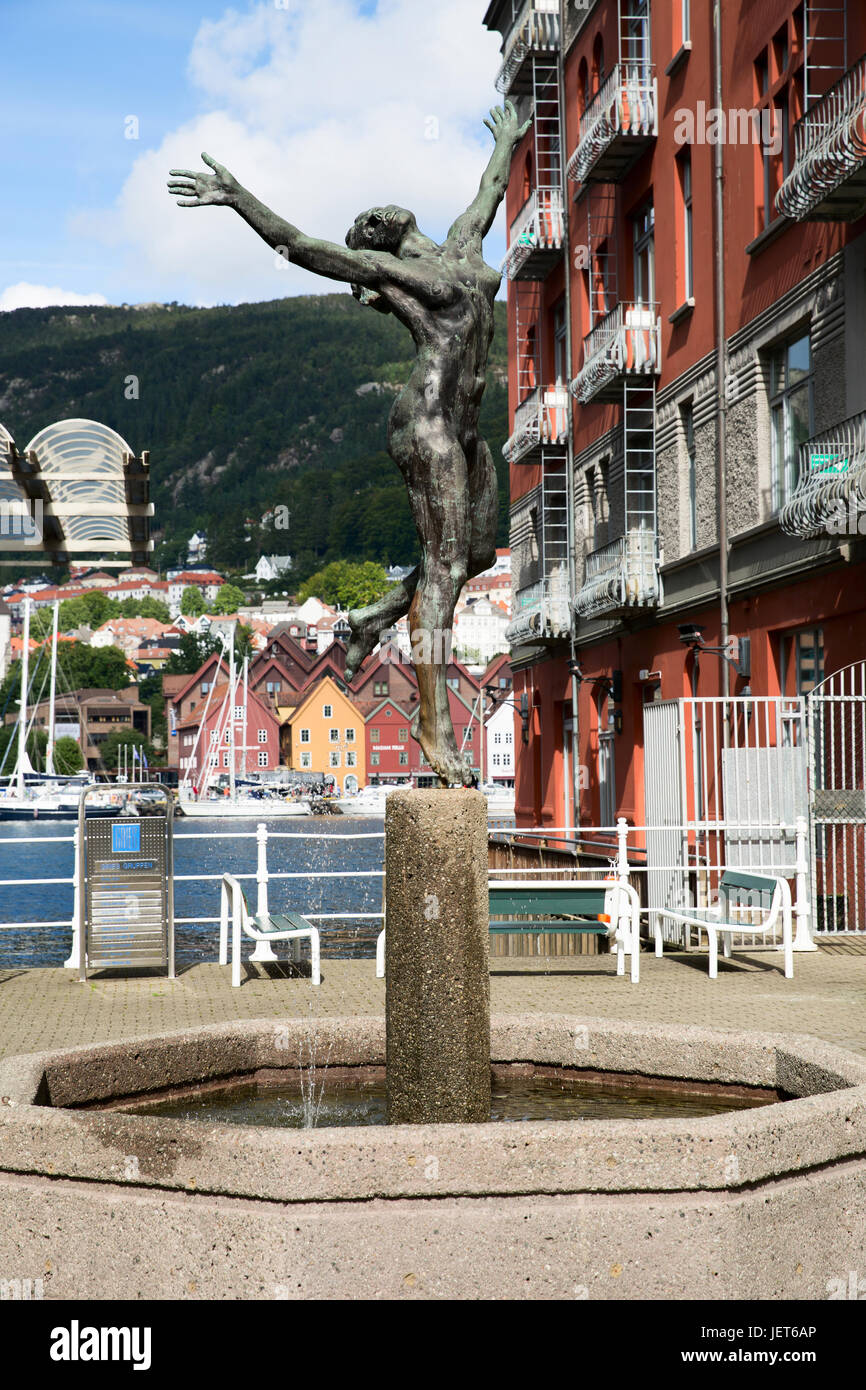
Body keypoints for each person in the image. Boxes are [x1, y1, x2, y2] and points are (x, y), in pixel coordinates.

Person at [168, 102, 528, 785]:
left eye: (371, 217)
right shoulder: (400, 277)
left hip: (469, 428)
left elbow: (487, 194)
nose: (375, 216)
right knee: (445, 572)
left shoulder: (460, 247)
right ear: (377, 251)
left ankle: (374, 615)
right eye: (367, 227)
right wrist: (239, 198)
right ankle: (434, 724)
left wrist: (507, 141)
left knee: (477, 553)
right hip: (425, 424)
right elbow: (302, 246)